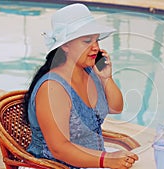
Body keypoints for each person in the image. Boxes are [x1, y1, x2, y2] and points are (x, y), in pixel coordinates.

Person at [23, 3, 138, 169]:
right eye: (87, 41)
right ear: (65, 45)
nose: (96, 47)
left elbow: (116, 107)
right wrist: (106, 160)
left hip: (92, 160)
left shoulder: (90, 72)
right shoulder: (53, 88)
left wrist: (107, 78)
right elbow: (59, 148)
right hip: (52, 165)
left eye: (96, 40)